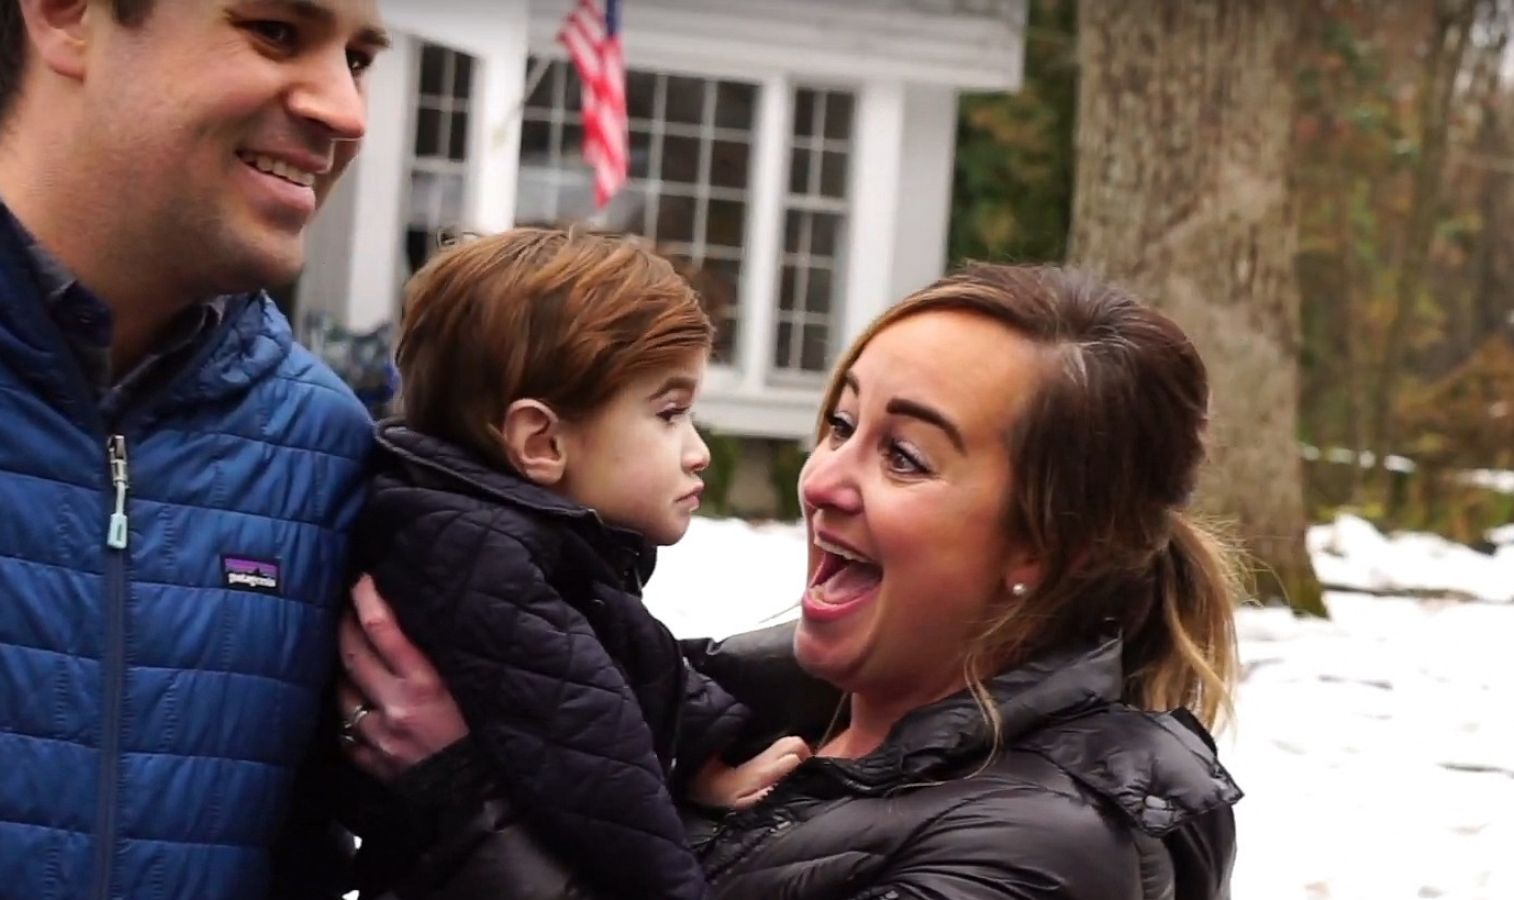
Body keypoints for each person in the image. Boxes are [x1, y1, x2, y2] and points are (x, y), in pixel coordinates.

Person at [339, 263, 1245, 899]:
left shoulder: (1047, 848)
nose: (821, 482)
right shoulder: (727, 716)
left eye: (903, 456)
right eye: (840, 424)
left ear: (1051, 547)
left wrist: (465, 806)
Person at [0, 2, 388, 898]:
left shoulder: (328, 449)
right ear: (66, 17)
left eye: (360, 60)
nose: (346, 111)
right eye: (274, 30)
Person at [338, 227, 810, 900]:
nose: (699, 451)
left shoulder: (512, 536)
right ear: (542, 441)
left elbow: (629, 661)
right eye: (669, 414)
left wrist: (706, 751)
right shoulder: (477, 558)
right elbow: (599, 764)